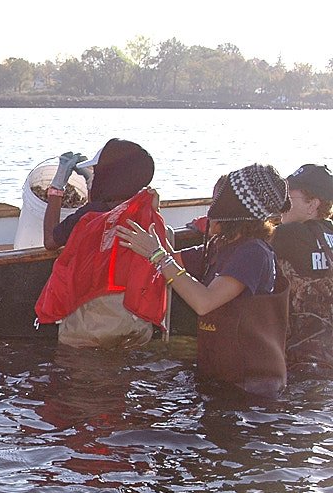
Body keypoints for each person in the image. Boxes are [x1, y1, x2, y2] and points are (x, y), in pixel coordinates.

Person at [117, 164, 291, 397]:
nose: (210, 210)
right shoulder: (221, 246)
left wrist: (157, 256)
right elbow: (174, 260)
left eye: (215, 202)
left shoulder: (253, 253)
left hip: (252, 387)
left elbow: (204, 302)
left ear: (231, 211)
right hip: (224, 375)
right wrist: (153, 215)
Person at [39, 139, 160, 347]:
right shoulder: (147, 208)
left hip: (92, 325)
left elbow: (50, 241)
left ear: (108, 177)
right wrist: (90, 181)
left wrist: (57, 188)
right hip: (136, 320)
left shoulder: (90, 213)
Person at [271, 164, 333, 369]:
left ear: (312, 205)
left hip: (299, 358)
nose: (281, 203)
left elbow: (243, 244)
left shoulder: (288, 235)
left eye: (288, 198)